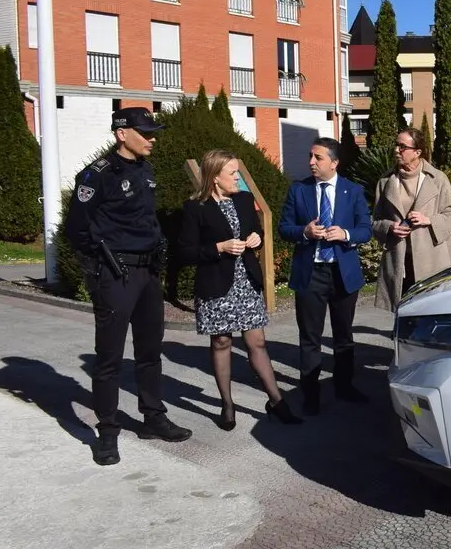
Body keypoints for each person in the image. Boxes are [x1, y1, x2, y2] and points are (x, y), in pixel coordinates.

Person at [65, 106, 192, 466]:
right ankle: (107, 431)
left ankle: (153, 418)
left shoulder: (145, 169)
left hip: (148, 273)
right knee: (108, 359)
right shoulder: (97, 175)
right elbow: (77, 229)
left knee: (150, 353)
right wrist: (102, 268)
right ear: (122, 134)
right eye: (145, 132)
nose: (152, 138)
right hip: (116, 275)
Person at [177, 149, 302, 430]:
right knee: (221, 342)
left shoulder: (245, 200)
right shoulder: (195, 207)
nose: (238, 178)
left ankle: (277, 400)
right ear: (215, 178)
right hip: (215, 284)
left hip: (246, 282)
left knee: (256, 342)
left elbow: (255, 231)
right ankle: (227, 404)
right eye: (232, 173)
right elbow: (185, 252)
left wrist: (256, 238)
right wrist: (218, 248)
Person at [278, 137, 373, 415]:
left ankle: (344, 387)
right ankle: (310, 394)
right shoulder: (299, 190)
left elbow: (365, 229)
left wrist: (345, 234)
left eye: (318, 157)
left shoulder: (352, 190)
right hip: (312, 273)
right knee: (310, 338)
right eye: (310, 156)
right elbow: (285, 228)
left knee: (344, 336)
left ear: (334, 162)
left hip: (343, 273)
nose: (311, 162)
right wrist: (304, 232)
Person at [372, 129, 451, 312]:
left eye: (402, 146)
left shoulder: (438, 179)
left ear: (417, 152)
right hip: (399, 260)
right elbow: (376, 221)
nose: (396, 150)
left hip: (431, 259)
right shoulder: (385, 181)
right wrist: (390, 227)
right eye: (396, 145)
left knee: (432, 312)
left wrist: (428, 220)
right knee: (403, 314)